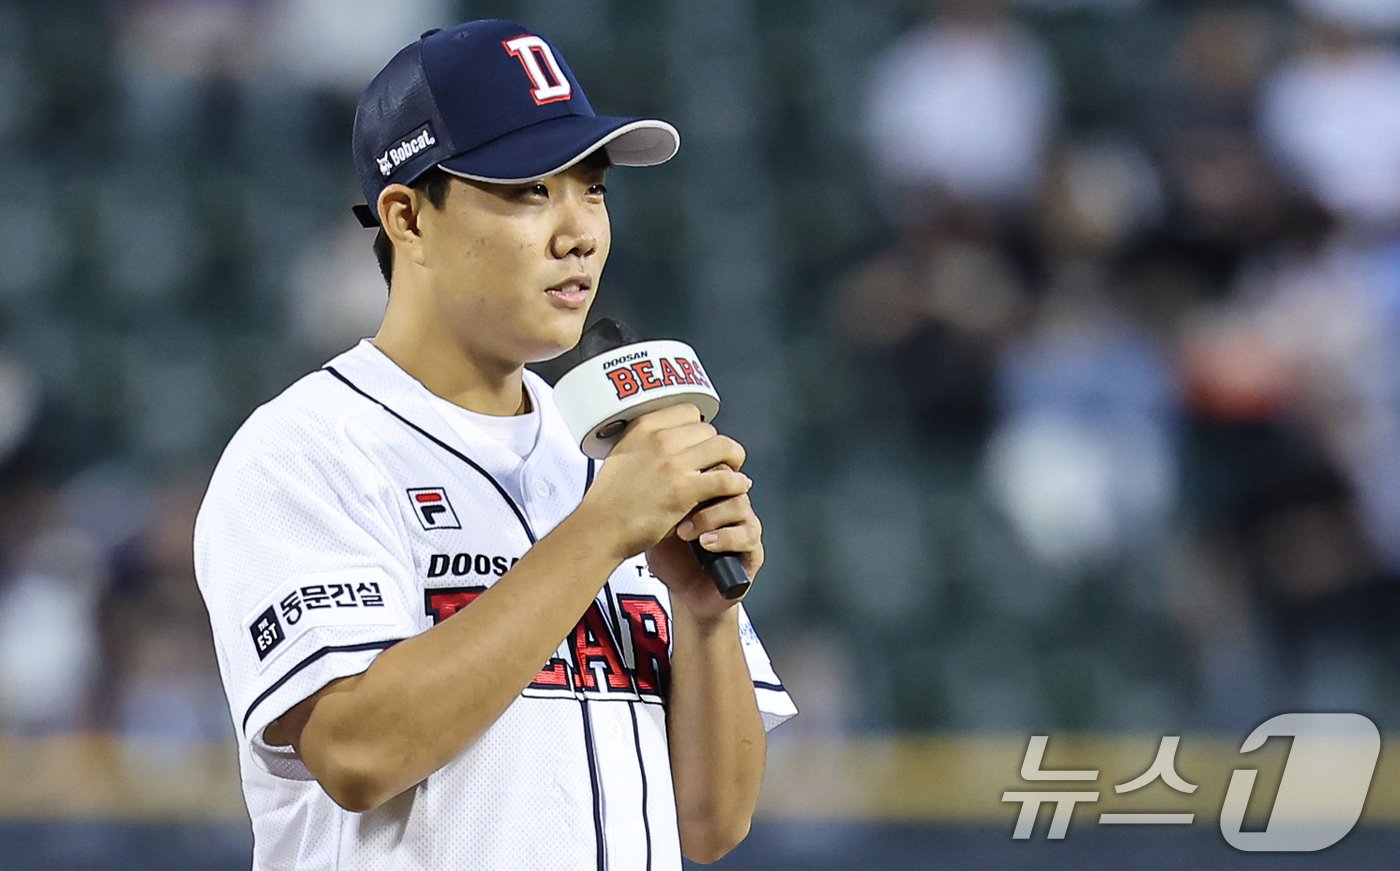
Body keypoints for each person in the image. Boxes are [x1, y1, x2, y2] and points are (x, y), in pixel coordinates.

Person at [193, 19, 795, 871]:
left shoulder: (611, 450)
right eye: (526, 191)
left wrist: (705, 615)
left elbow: (710, 821)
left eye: (592, 189)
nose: (579, 231)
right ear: (407, 216)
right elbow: (359, 754)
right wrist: (600, 530)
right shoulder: (306, 450)